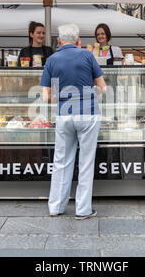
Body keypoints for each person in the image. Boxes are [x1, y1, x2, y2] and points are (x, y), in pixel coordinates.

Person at [41, 23, 107, 220]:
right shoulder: (87, 55)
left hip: (64, 114)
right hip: (88, 114)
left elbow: (46, 96)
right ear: (78, 41)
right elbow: (102, 86)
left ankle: (56, 207)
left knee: (61, 160)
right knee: (86, 162)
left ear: (59, 41)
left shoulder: (51, 59)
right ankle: (83, 210)